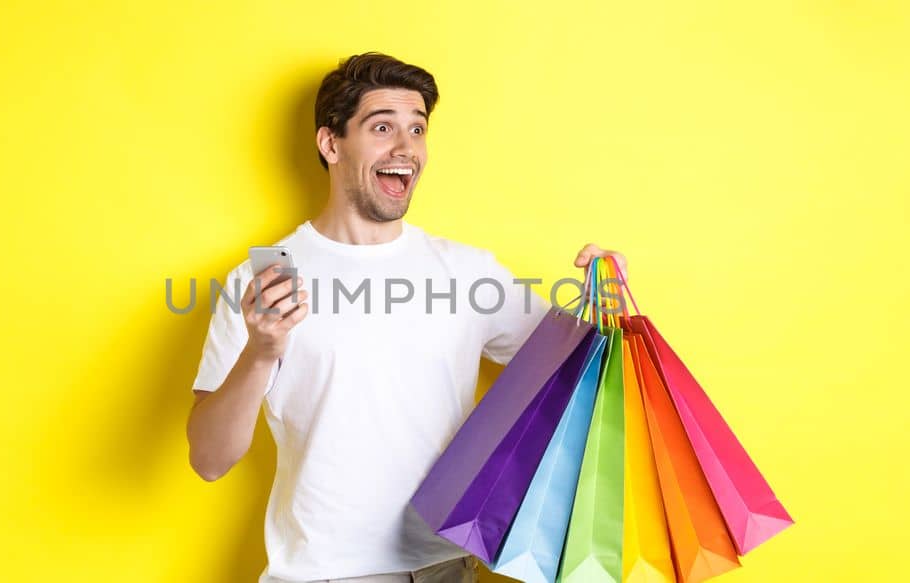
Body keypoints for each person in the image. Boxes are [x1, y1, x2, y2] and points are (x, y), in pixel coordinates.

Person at [185, 52, 627, 583]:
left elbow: (583, 373)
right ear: (331, 144)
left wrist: (607, 305)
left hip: (448, 567)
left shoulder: (468, 272)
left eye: (417, 129)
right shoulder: (262, 283)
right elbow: (209, 460)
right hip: (325, 574)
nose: (406, 148)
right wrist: (261, 353)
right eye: (382, 127)